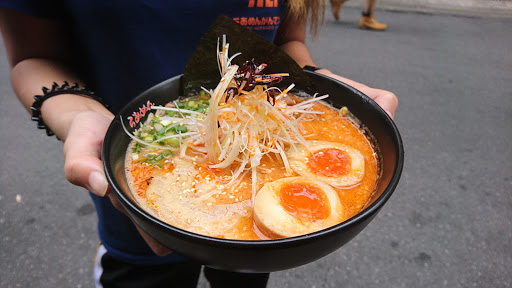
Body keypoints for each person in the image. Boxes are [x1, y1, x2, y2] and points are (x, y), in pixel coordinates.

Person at [0, 1, 397, 287]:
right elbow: (31, 57)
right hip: (134, 203)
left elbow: (287, 44)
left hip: (262, 235)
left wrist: (311, 77)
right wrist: (77, 117)